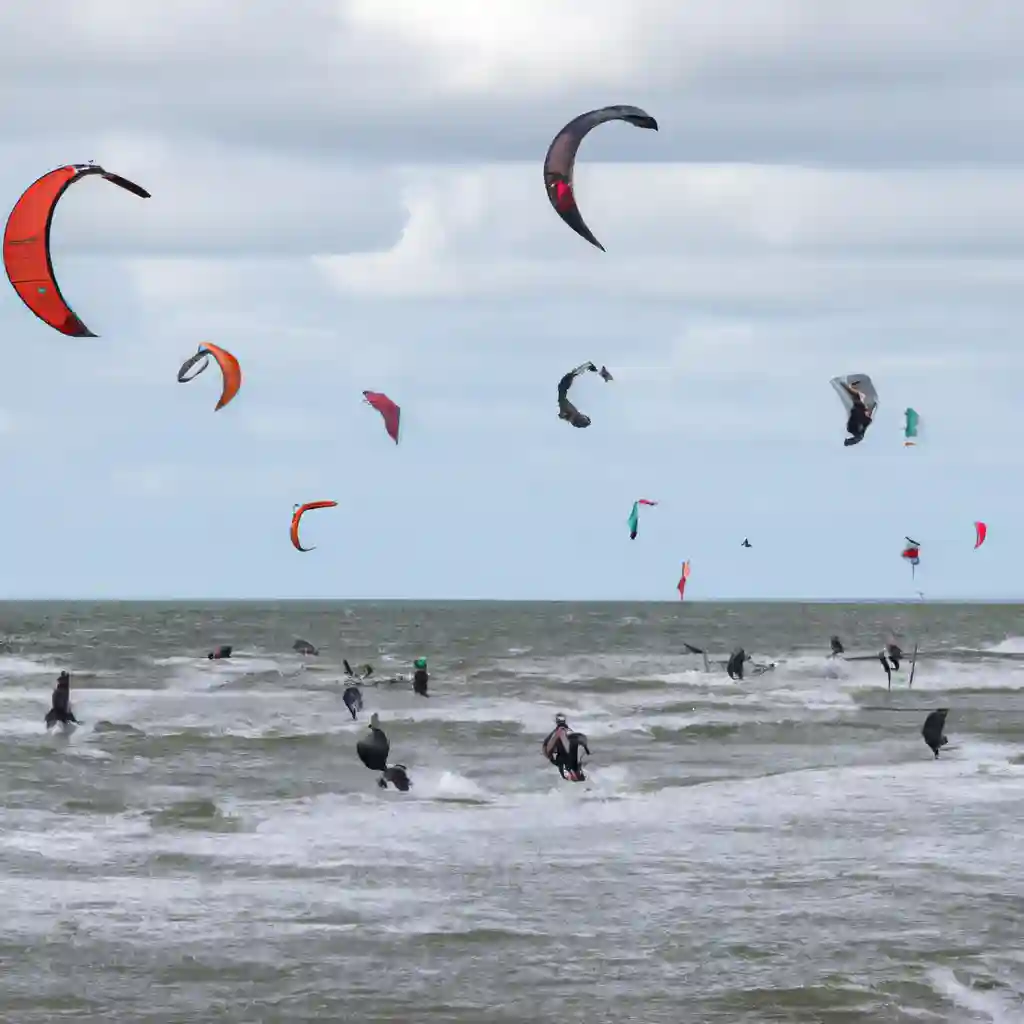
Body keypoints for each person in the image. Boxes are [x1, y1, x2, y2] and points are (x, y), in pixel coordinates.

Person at [557, 363, 597, 428]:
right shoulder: (574, 414)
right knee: (571, 376)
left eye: (583, 419)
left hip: (563, 391)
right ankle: (588, 366)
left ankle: (588, 366)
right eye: (584, 418)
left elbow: (563, 414)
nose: (582, 417)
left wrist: (562, 415)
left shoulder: (571, 415)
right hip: (564, 392)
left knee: (571, 376)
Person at [841, 381, 874, 446]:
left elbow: (861, 434)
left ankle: (847, 385)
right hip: (856, 422)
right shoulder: (864, 415)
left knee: (859, 399)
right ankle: (848, 385)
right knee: (860, 399)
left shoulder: (864, 417)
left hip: (854, 425)